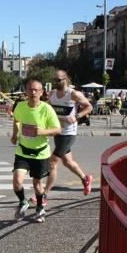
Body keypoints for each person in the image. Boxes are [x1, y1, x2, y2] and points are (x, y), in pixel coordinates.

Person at [31, 70, 92, 207]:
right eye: (54, 80)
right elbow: (47, 109)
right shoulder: (52, 94)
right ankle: (85, 179)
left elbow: (89, 107)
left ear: (66, 80)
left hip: (69, 133)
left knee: (52, 162)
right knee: (68, 162)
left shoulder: (73, 94)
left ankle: (44, 195)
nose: (56, 82)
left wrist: (77, 116)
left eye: (58, 80)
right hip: (57, 131)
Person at [11, 79, 61, 223]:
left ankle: (40, 208)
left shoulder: (47, 109)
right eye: (30, 90)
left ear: (41, 92)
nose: (33, 92)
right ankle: (22, 201)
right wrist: (15, 135)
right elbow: (16, 120)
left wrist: (43, 132)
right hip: (23, 151)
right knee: (17, 181)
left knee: (37, 185)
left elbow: (58, 129)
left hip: (40, 153)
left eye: (36, 90)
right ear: (26, 91)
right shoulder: (20, 106)